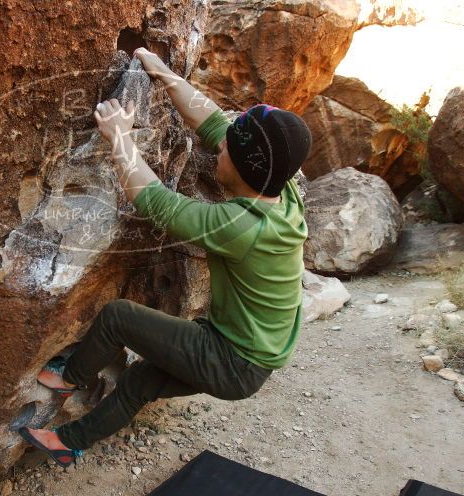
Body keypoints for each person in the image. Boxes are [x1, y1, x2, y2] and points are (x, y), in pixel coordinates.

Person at [18, 47, 311, 466]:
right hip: (250, 361)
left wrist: (119, 135)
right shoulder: (282, 192)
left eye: (228, 150)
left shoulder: (243, 226)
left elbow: (158, 203)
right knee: (140, 382)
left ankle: (69, 377)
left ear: (247, 168)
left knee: (119, 317)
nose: (220, 148)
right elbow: (214, 123)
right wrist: (164, 74)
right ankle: (67, 443)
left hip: (232, 359)